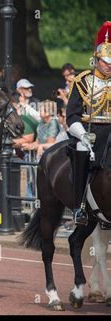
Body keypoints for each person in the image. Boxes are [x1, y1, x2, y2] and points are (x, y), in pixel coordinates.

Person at [66, 21, 111, 225]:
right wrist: (82, 134)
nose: (109, 65)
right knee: (82, 153)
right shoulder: (83, 81)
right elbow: (72, 115)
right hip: (89, 132)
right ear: (96, 60)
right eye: (106, 61)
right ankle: (79, 207)